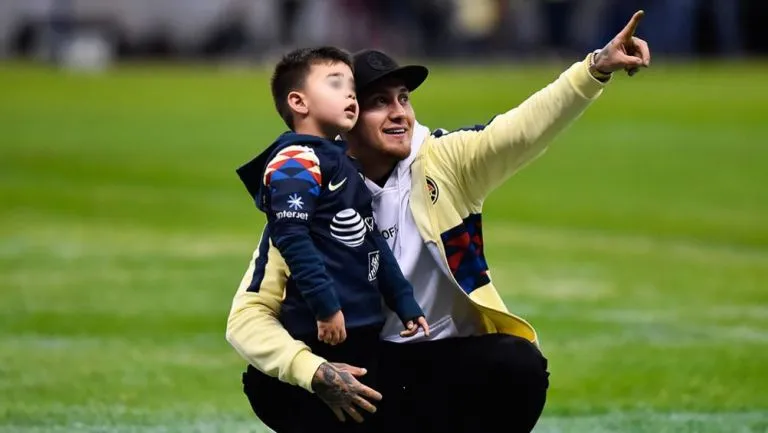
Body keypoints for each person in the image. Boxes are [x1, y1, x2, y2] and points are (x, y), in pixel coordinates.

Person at [226, 10, 651, 433]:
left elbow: (523, 129)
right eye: (379, 102)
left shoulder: (446, 161)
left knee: (517, 365)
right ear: (348, 117)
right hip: (363, 369)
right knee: (268, 382)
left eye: (403, 99)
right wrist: (313, 370)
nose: (399, 113)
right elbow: (248, 316)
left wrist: (595, 68)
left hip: (442, 360)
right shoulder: (313, 190)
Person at [232, 46, 429, 432]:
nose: (350, 96)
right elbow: (292, 238)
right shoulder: (295, 161)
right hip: (324, 332)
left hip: (362, 328)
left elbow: (371, 239)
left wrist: (403, 300)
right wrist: (325, 308)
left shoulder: (340, 160)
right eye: (336, 84)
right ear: (298, 102)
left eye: (352, 88)